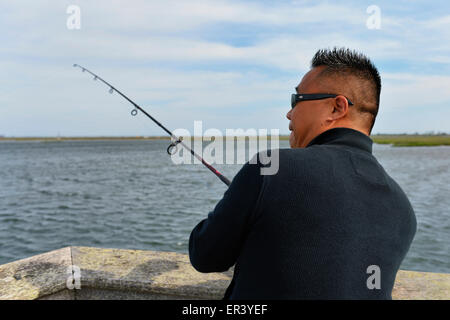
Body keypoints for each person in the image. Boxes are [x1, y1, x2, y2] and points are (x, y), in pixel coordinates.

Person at [188, 47, 417, 299]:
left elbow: (206, 254)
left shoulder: (271, 167)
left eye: (296, 100)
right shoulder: (403, 208)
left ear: (337, 108)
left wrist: (238, 203)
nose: (289, 113)